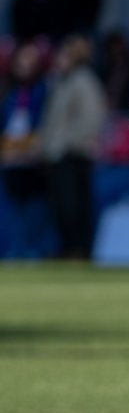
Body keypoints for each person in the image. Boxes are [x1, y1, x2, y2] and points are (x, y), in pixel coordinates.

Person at [40, 35, 107, 260]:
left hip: (74, 154)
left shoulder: (84, 81)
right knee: (61, 206)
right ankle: (67, 247)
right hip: (58, 153)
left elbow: (90, 119)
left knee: (74, 205)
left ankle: (79, 249)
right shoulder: (61, 81)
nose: (58, 59)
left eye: (63, 54)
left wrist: (71, 143)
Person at [1, 41, 50, 258]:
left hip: (35, 158)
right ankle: (16, 249)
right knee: (13, 209)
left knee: (35, 209)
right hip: (11, 157)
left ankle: (34, 250)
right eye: (21, 60)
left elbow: (45, 122)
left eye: (29, 60)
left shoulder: (43, 91)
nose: (24, 65)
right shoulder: (9, 93)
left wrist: (34, 146)